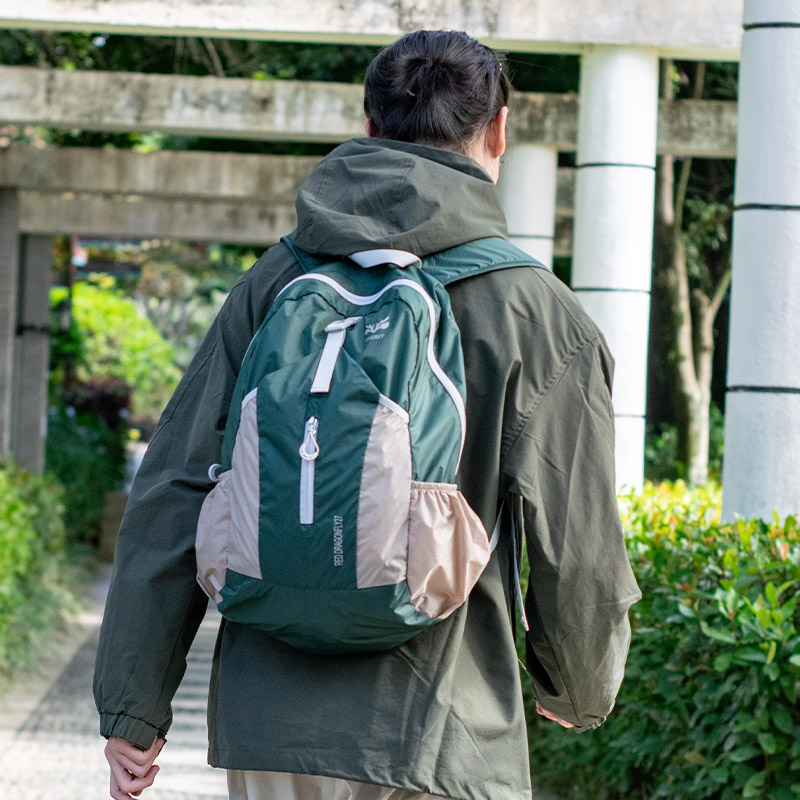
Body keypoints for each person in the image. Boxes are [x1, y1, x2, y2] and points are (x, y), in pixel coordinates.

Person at [94, 29, 641, 800]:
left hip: (270, 727)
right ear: (500, 130)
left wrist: (133, 704)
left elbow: (174, 488)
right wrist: (577, 687)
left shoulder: (276, 283)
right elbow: (577, 541)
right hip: (444, 731)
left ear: (368, 122)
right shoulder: (536, 311)